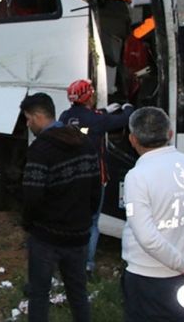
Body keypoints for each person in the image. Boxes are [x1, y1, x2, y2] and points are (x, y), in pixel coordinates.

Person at [121, 107, 184, 321]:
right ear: (170, 133)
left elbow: (147, 237)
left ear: (132, 139)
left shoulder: (137, 177)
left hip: (148, 278)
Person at [19, 92, 100, 322]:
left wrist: (28, 224)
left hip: (46, 238)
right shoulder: (84, 142)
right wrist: (85, 219)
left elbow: (32, 196)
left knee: (39, 294)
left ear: (37, 116)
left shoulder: (40, 149)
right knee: (78, 293)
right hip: (78, 236)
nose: (27, 124)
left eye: (28, 118)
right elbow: (96, 189)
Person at [58, 78, 134, 276]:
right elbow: (123, 120)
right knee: (92, 223)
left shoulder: (65, 117)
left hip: (71, 178)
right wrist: (127, 107)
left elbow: (85, 126)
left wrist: (105, 111)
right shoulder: (97, 120)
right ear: (89, 96)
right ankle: (87, 265)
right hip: (94, 179)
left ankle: (68, 261)